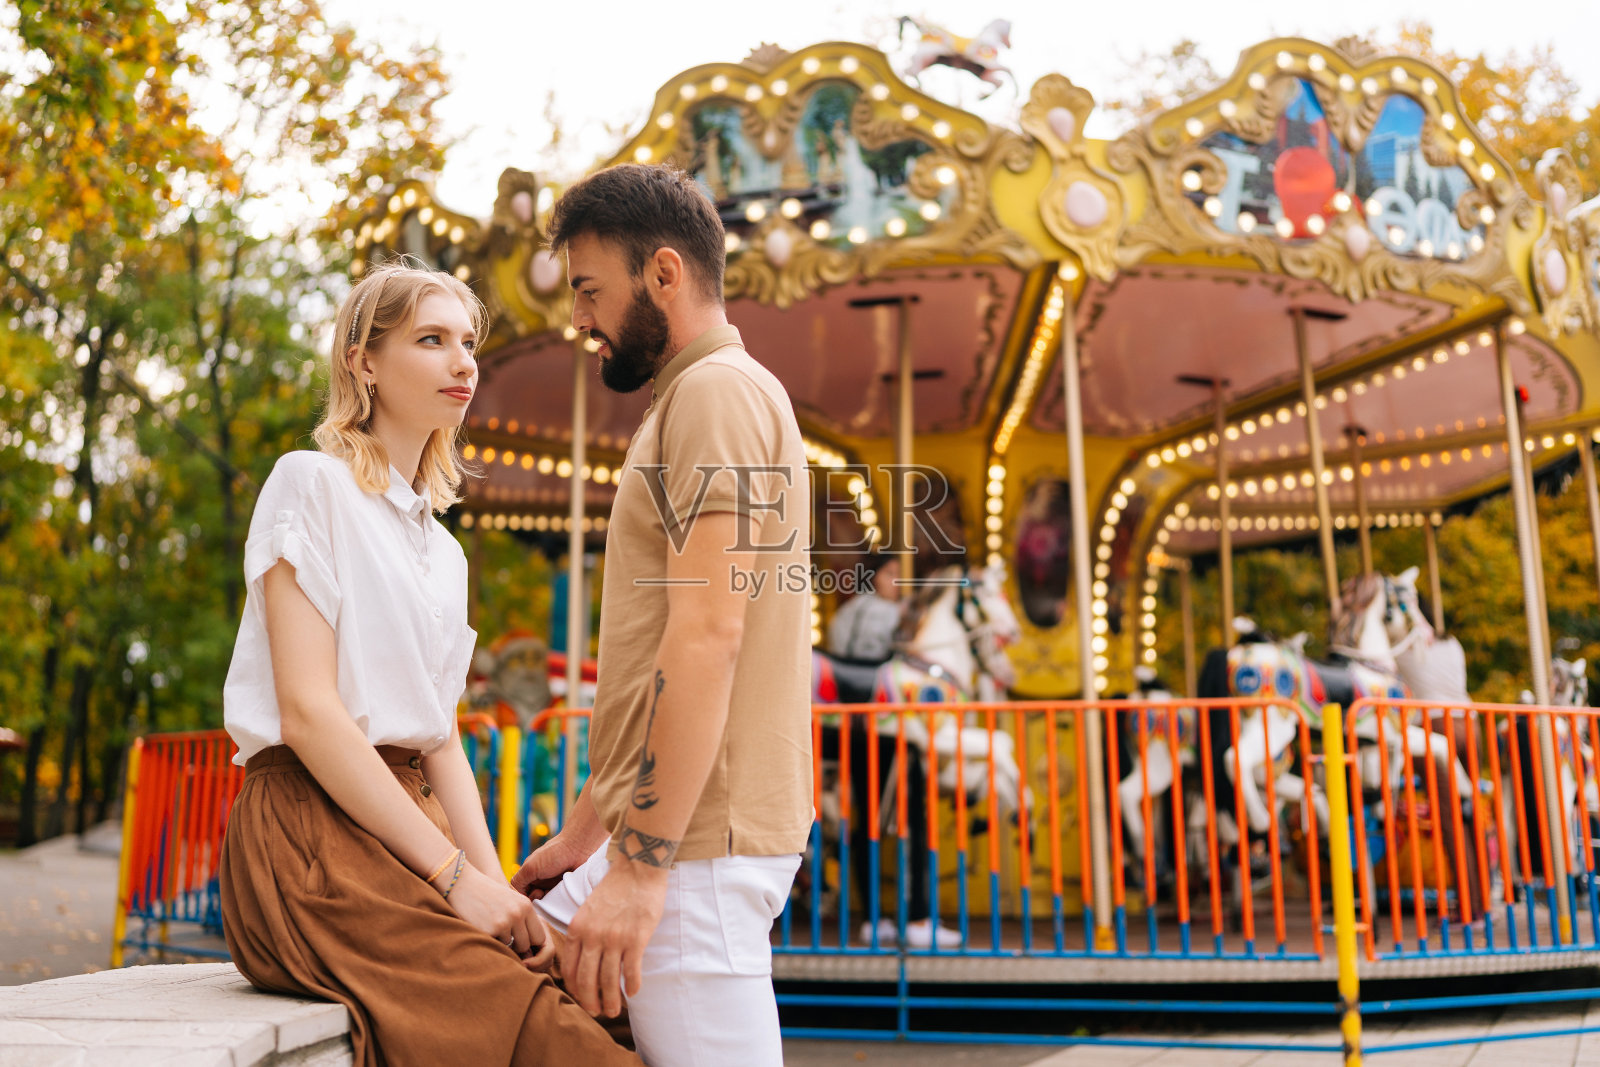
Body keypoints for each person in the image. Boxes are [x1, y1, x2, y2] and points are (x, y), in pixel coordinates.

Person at [217, 258, 639, 1067]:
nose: (463, 362)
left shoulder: (444, 552)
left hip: (410, 829)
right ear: (363, 361)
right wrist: (453, 878)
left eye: (469, 343)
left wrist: (504, 896)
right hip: (312, 834)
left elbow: (440, 739)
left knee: (588, 1000)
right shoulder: (308, 484)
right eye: (432, 339)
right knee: (552, 1041)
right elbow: (308, 712)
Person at [511, 164, 812, 1067]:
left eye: (590, 290)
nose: (579, 319)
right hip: (675, 837)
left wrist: (639, 871)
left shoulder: (716, 395)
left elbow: (710, 635)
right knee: (497, 974)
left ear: (665, 275)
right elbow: (659, 659)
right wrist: (587, 830)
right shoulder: (699, 395)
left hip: (694, 853)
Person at [819, 554, 960, 950]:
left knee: (868, 818)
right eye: (892, 573)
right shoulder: (891, 615)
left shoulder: (846, 614)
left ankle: (873, 917)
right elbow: (900, 664)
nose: (899, 581)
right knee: (913, 816)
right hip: (890, 725)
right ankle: (917, 917)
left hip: (852, 726)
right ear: (874, 577)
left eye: (903, 575)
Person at [825, 553, 902, 663]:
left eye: (899, 574)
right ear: (873, 577)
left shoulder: (848, 607)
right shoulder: (887, 609)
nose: (897, 581)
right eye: (889, 574)